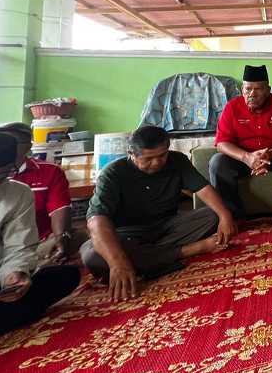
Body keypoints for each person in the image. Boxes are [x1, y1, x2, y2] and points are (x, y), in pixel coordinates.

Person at [80, 126, 238, 302]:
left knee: (214, 215)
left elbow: (203, 188)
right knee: (92, 256)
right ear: (131, 153)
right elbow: (96, 220)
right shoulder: (112, 172)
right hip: (129, 234)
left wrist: (225, 215)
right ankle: (187, 250)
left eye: (162, 155)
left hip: (168, 226)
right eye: (147, 158)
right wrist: (117, 262)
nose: (156, 163)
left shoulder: (177, 160)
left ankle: (148, 256)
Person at [0, 131, 80, 342]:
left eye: (0, 178)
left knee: (65, 277)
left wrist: (13, 274)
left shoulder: (17, 193)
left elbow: (18, 246)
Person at [210, 64, 272, 218]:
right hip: (242, 158)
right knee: (217, 163)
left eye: (258, 89)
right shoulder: (231, 107)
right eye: (248, 89)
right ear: (242, 91)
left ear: (268, 90)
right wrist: (247, 157)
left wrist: (270, 154)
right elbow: (222, 144)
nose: (252, 94)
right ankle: (234, 214)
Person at [0, 122, 73, 264]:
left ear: (27, 147)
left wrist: (61, 236)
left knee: (78, 238)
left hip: (37, 242)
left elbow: (59, 208)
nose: (1, 146)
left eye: (9, 142)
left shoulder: (50, 171)